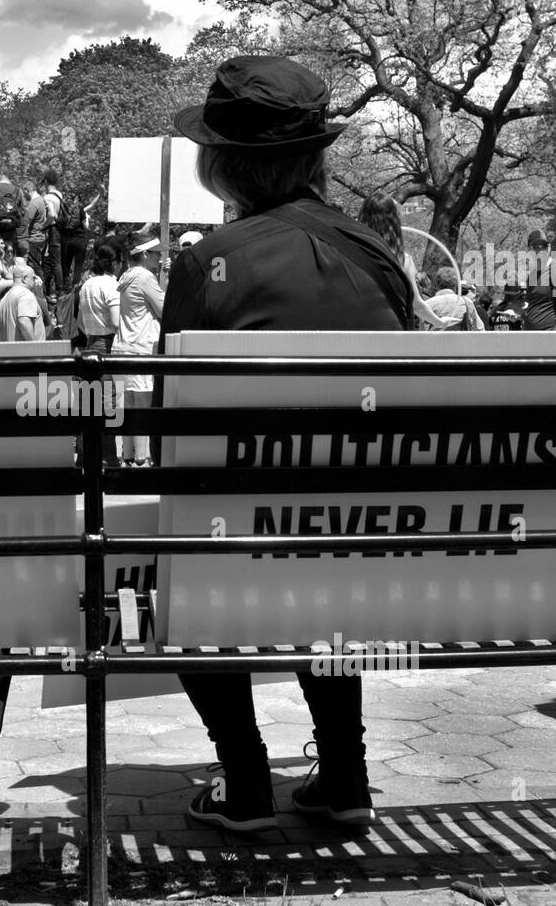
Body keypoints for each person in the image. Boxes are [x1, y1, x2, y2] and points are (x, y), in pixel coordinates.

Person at [164, 55, 414, 833]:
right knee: (324, 555)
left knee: (177, 569)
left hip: (240, 539)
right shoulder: (380, 258)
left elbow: (175, 423)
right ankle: (344, 774)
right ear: (316, 154)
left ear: (221, 163)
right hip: (370, 540)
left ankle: (245, 779)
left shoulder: (208, 264)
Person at [357, 194, 441, 329]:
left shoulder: (349, 251)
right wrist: (440, 322)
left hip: (358, 326)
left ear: (362, 216)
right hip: (393, 329)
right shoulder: (403, 259)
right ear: (394, 220)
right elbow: (417, 305)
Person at [115, 237, 164, 465]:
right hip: (141, 347)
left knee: (127, 405)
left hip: (124, 345)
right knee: (143, 404)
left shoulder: (126, 275)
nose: (160, 257)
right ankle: (142, 458)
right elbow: (165, 310)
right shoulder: (145, 277)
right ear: (144, 254)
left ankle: (127, 455)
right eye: (155, 253)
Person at [77, 243, 123, 466]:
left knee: (89, 402)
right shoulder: (112, 285)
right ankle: (109, 457)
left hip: (89, 343)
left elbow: (80, 322)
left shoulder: (86, 285)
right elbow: (115, 322)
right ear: (115, 262)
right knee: (108, 403)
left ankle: (85, 456)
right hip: (107, 344)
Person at [520, 228, 556, 332]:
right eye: (535, 247)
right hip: (532, 337)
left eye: (544, 246)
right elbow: (535, 305)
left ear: (549, 247)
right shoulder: (532, 273)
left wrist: (554, 336)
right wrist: (521, 315)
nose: (540, 250)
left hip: (550, 337)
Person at [423, 266, 483, 330]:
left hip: (435, 339)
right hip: (463, 339)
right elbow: (480, 329)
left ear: (437, 284)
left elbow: (421, 332)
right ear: (456, 285)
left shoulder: (427, 304)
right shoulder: (467, 303)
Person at [18, 179, 49, 285]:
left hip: (34, 238)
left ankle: (41, 290)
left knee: (34, 266)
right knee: (37, 264)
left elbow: (25, 221)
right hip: (41, 236)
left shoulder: (34, 203)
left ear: (27, 190)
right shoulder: (42, 200)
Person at [41, 170, 64, 301]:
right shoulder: (59, 194)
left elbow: (52, 215)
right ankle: (59, 289)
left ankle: (55, 290)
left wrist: (44, 226)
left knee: (52, 261)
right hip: (61, 230)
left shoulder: (47, 197)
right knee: (57, 261)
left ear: (45, 181)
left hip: (52, 229)